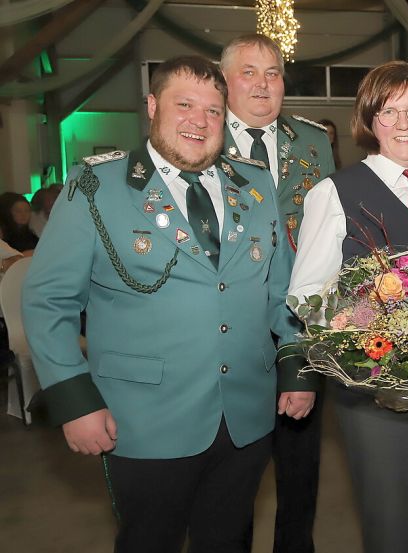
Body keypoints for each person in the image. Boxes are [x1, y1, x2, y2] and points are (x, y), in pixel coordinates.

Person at [21, 55, 317, 553]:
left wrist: (297, 369)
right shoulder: (97, 187)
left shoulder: (256, 184)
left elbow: (282, 290)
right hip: (142, 419)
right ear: (153, 106)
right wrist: (75, 401)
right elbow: (48, 300)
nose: (199, 121)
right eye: (185, 105)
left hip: (245, 415)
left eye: (214, 111)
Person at [289, 61, 408, 553]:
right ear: (369, 121)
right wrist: (371, 330)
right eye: (389, 112)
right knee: (391, 519)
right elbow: (306, 295)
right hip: (373, 390)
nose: (404, 124)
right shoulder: (336, 192)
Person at [220, 33, 335, 553]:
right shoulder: (200, 137)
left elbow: (332, 230)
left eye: (273, 73)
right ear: (224, 82)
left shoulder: (314, 142)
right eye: (249, 72)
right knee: (233, 468)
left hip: (302, 322)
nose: (263, 85)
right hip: (230, 324)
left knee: (299, 465)